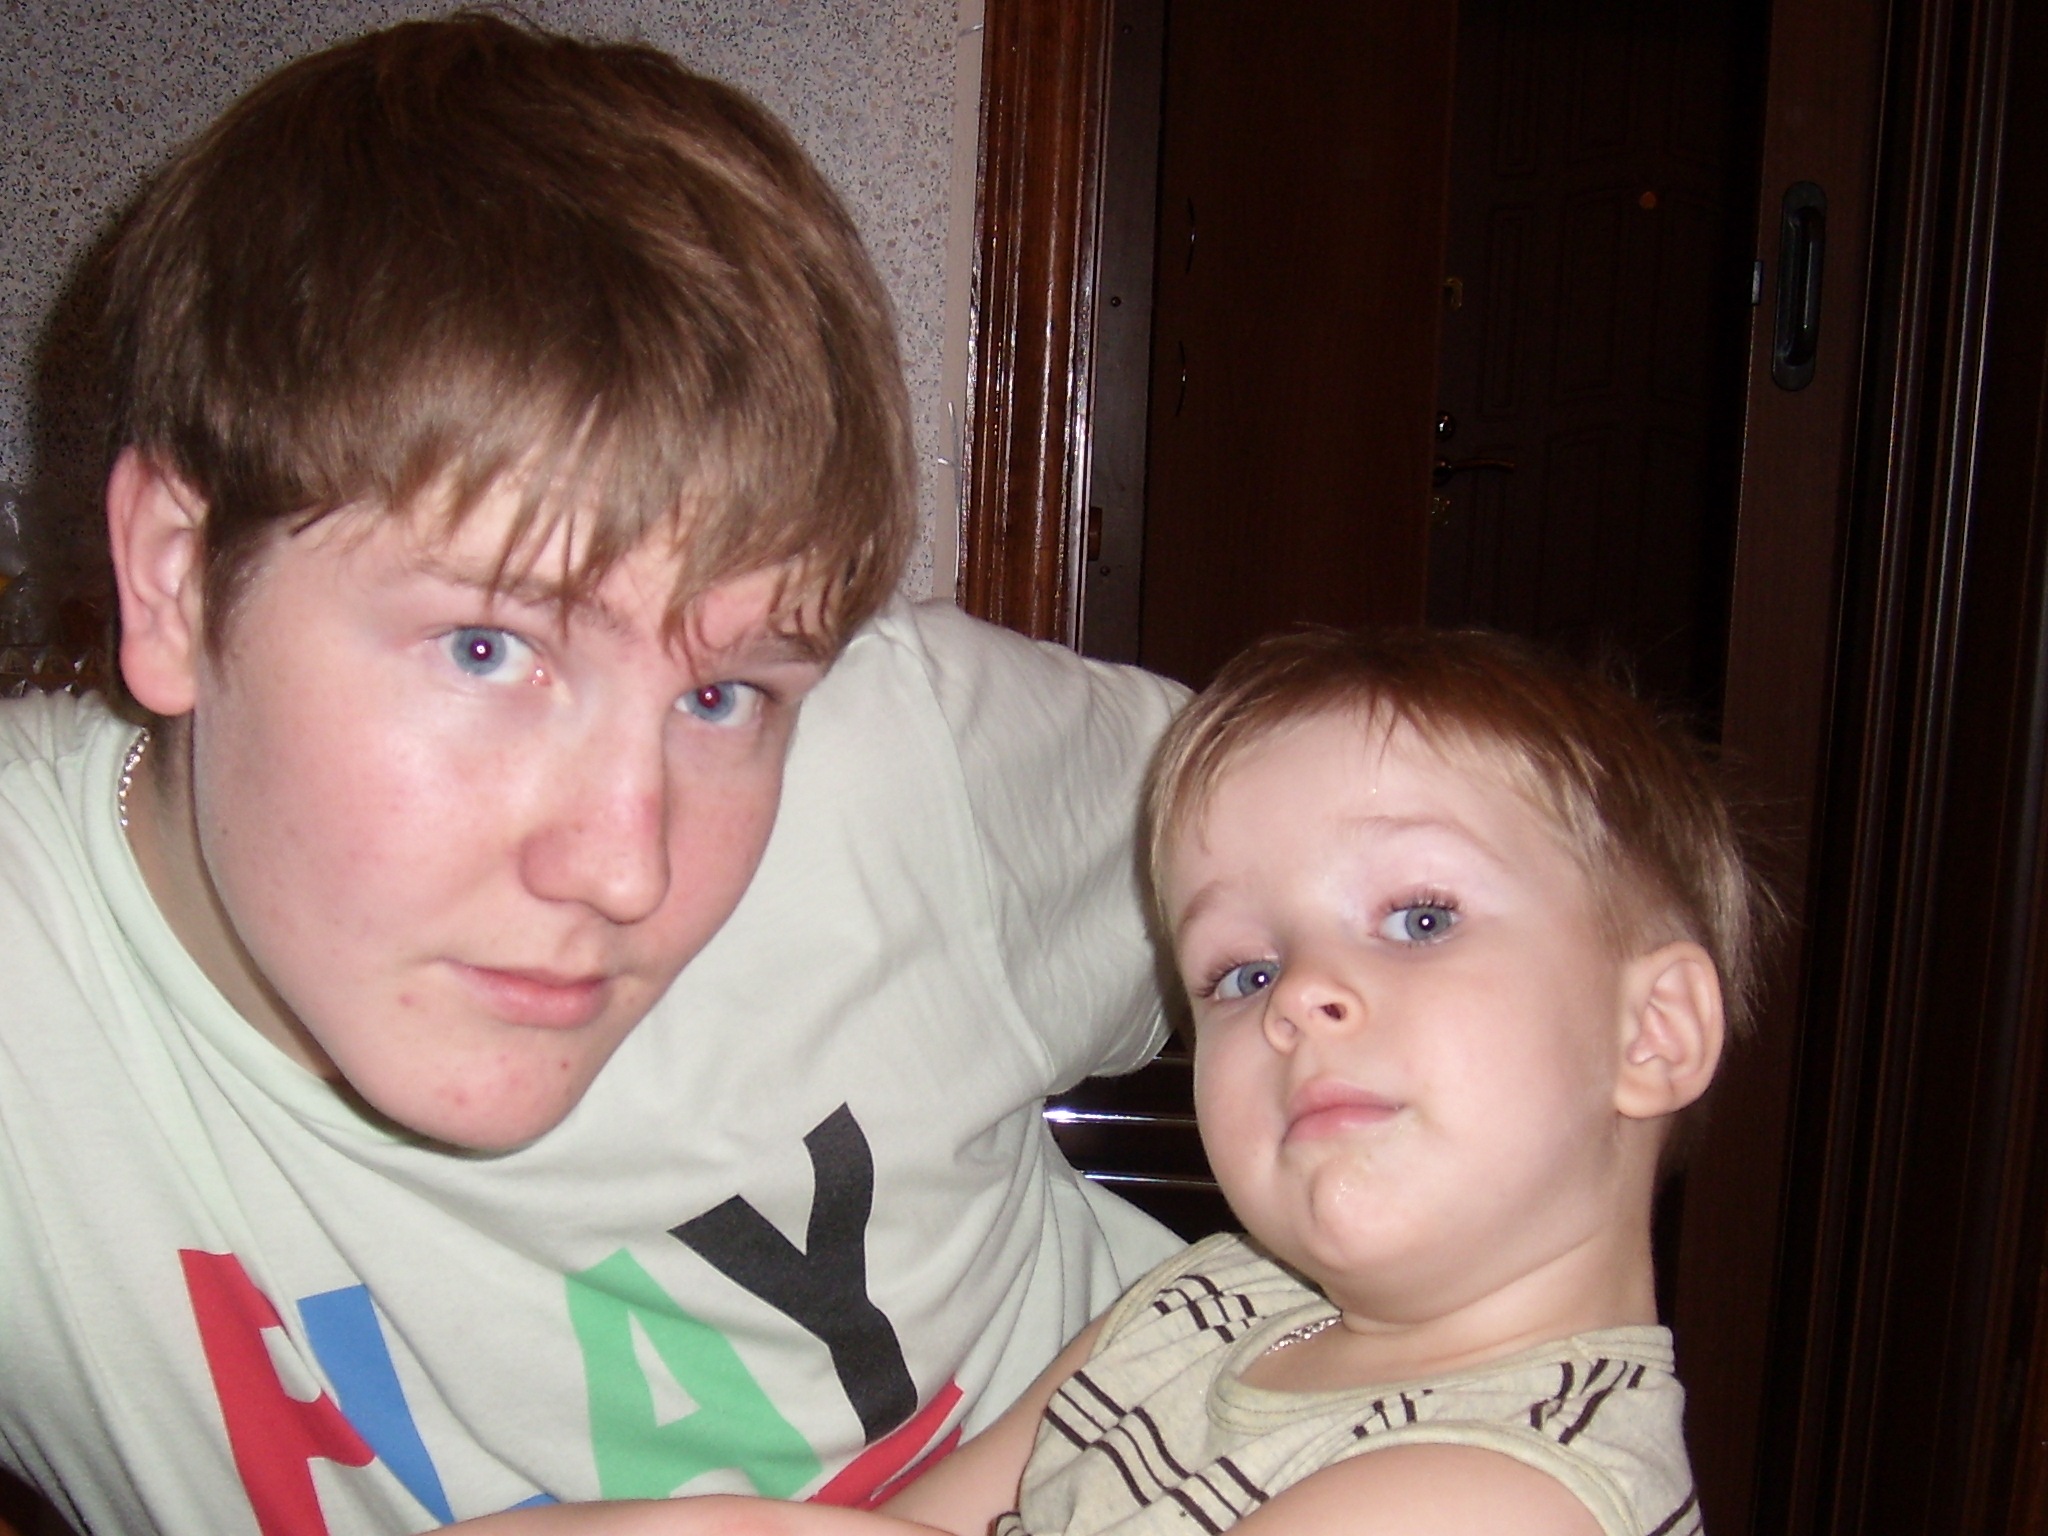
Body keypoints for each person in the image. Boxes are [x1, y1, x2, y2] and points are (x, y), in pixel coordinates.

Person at [0, 16, 1186, 1536]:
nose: (630, 866)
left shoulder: (905, 759)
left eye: (722, 695)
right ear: (175, 581)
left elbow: (1462, 871)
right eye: (488, 650)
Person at [466, 626, 1767, 1536]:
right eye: (1243, 972)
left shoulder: (1521, 1491)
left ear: (1650, 1034)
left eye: (1419, 918)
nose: (1302, 997)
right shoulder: (1202, 1305)